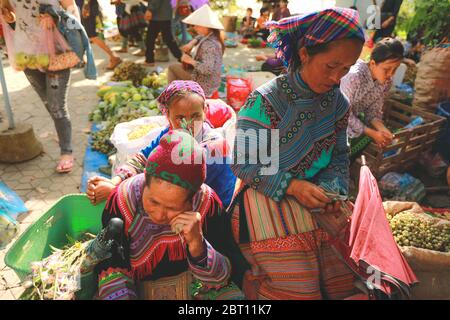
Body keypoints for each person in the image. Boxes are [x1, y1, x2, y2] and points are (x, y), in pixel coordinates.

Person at [229, 8, 366, 299]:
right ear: (305, 53)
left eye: (345, 69)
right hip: (263, 192)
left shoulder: (339, 104)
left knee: (351, 272)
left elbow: (340, 156)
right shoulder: (265, 100)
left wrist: (333, 191)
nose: (336, 77)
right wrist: (292, 186)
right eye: (331, 66)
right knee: (299, 289)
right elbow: (243, 163)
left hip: (315, 192)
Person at [95, 130, 246, 300]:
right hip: (136, 285)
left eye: (173, 207)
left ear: (192, 199)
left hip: (195, 282)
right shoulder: (123, 201)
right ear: (145, 182)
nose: (159, 215)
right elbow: (112, 267)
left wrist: (198, 245)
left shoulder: (206, 204)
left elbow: (224, 275)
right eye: (153, 201)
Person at [87, 80, 237, 209]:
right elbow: (142, 158)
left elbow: (171, 186)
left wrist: (115, 190)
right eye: (180, 117)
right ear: (167, 115)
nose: (188, 124)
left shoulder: (213, 146)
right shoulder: (168, 133)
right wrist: (115, 180)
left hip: (213, 212)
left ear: (204, 111)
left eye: (195, 116)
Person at [0, 0, 82, 173]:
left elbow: (72, 8)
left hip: (57, 53)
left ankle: (66, 152)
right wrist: (8, 18)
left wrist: (57, 18)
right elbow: (11, 15)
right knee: (49, 104)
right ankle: (63, 133)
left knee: (56, 106)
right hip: (27, 55)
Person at [341, 38, 404, 158]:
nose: (391, 75)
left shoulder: (386, 82)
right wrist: (372, 133)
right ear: (373, 63)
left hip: (351, 122)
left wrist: (382, 129)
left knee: (365, 140)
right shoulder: (354, 77)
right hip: (331, 119)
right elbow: (342, 113)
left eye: (395, 69)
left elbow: (373, 111)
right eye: (387, 69)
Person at [167, 4, 225, 98]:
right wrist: (192, 42)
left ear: (206, 26)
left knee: (172, 67)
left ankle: (172, 97)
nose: (194, 27)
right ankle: (178, 94)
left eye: (197, 25)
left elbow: (207, 69)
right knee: (178, 67)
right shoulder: (213, 35)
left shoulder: (209, 45)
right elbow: (200, 37)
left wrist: (190, 61)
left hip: (204, 83)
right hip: (211, 81)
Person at [77, 0, 122, 70]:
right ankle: (82, 59)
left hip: (88, 9)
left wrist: (86, 6)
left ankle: (114, 56)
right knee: (85, 35)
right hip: (86, 8)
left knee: (92, 36)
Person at [143, 0, 182, 67]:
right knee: (168, 39)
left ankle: (149, 60)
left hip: (158, 16)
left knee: (150, 39)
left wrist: (150, 9)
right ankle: (181, 57)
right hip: (165, 15)